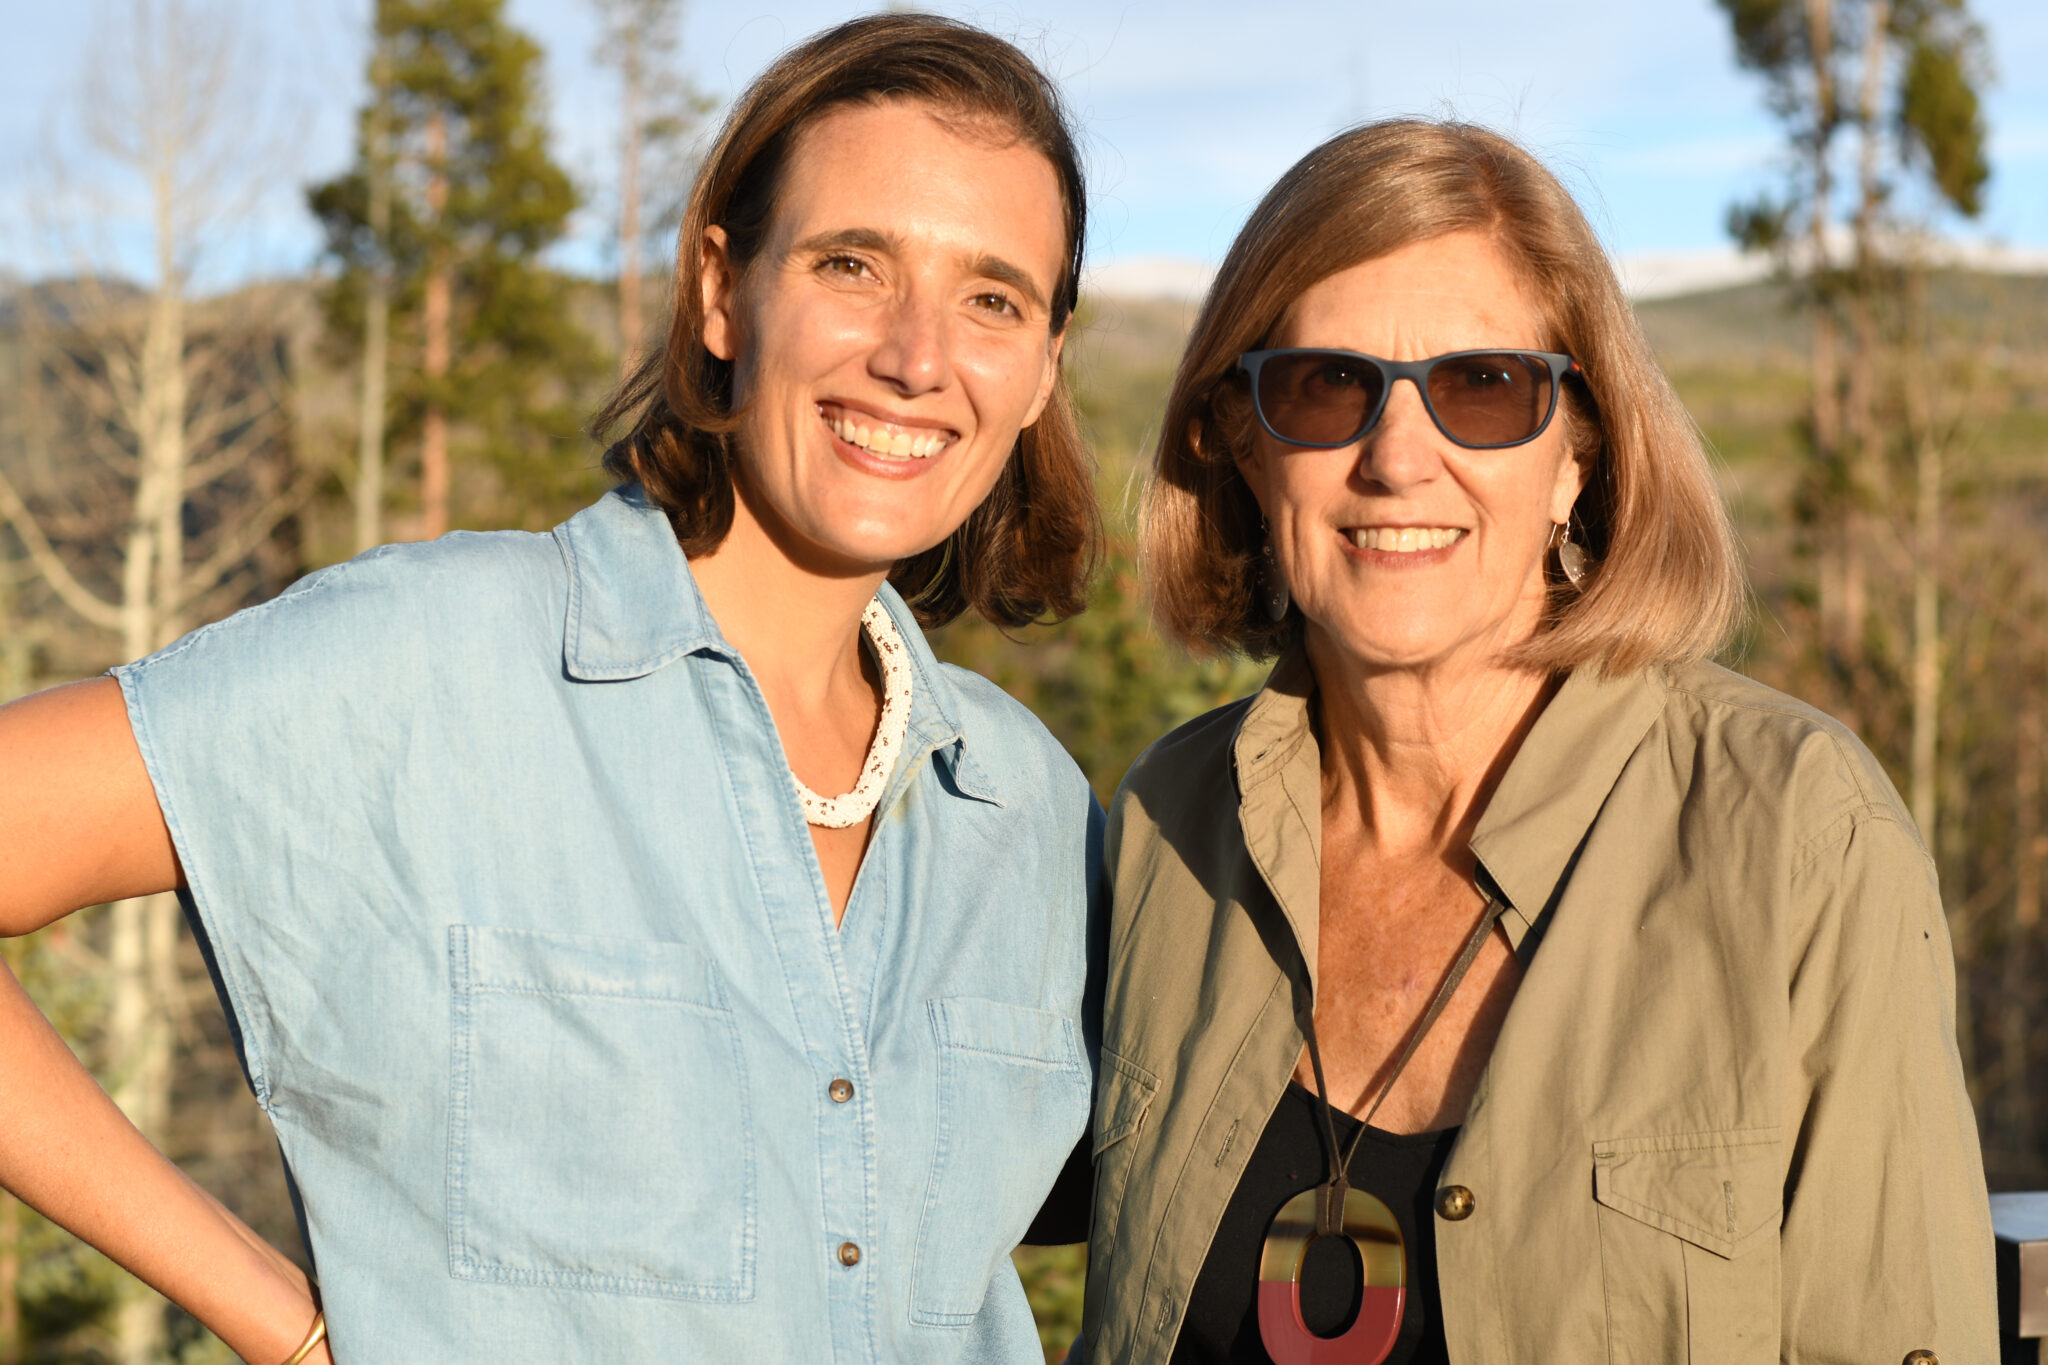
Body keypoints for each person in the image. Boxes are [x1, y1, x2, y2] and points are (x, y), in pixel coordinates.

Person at [0, 15, 1103, 1362]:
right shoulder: (429, 665)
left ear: (1043, 366)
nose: (918, 356)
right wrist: (277, 1322)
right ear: (721, 292)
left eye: (993, 299)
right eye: (852, 264)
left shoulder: (1034, 813)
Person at [1077, 119, 1997, 1364]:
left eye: (1482, 388)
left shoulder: (1794, 833)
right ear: (1242, 443)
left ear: (1578, 455)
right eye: (1326, 385)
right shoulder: (1168, 822)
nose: (1397, 458)